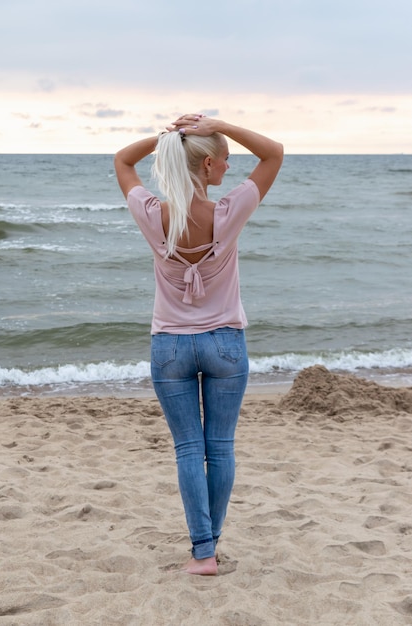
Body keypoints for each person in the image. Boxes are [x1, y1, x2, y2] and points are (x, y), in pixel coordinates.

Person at [114, 114, 283, 575]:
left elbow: (122, 160)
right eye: (226, 161)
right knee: (221, 448)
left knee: (190, 449)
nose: (230, 168)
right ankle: (210, 547)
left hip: (170, 346)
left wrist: (170, 138)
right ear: (208, 165)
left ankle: (202, 553)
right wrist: (220, 123)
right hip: (225, 344)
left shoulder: (153, 215)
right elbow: (274, 153)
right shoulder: (229, 212)